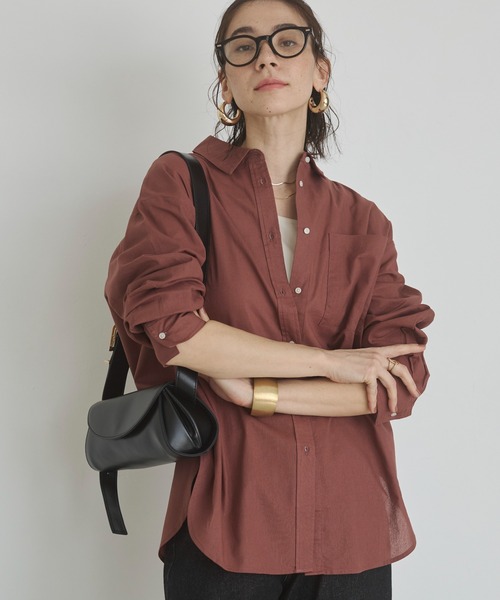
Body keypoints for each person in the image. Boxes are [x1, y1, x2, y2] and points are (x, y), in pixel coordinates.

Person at [105, 0, 434, 598]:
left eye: (287, 41)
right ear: (226, 82)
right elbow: (177, 330)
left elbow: (400, 380)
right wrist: (332, 363)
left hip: (351, 528)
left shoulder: (363, 220)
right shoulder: (180, 182)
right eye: (244, 46)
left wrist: (257, 391)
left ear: (320, 71)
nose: (265, 57)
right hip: (226, 521)